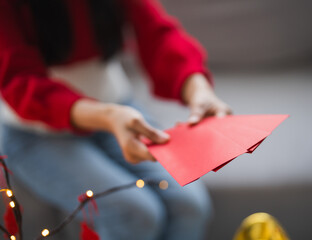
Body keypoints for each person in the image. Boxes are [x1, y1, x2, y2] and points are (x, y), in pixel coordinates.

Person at [0, 0, 231, 239]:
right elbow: (20, 82)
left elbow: (157, 32)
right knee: (134, 213)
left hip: (116, 108)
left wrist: (198, 89)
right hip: (35, 132)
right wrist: (108, 116)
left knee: (190, 205)